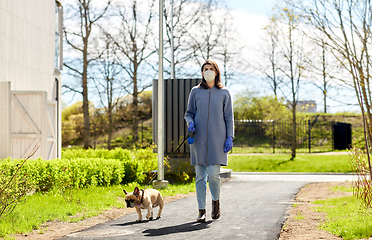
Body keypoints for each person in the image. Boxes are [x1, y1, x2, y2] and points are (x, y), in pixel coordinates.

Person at [184, 59, 234, 222]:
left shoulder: (224, 92)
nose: (208, 71)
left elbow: (229, 117)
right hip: (198, 140)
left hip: (218, 141)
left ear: (216, 72)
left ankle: (215, 202)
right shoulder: (195, 91)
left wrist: (229, 137)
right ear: (202, 73)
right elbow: (189, 112)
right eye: (205, 69)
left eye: (211, 69)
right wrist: (190, 122)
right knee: (200, 176)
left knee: (213, 175)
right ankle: (201, 211)